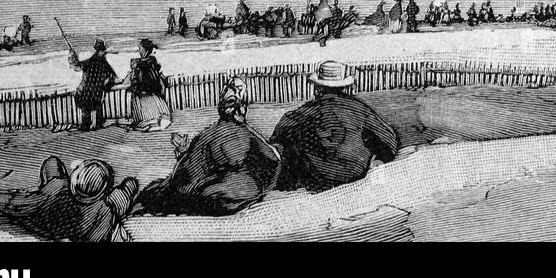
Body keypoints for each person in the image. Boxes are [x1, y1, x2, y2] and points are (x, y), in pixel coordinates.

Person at [139, 82, 281, 216]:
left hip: (201, 189)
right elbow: (272, 159)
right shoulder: (230, 132)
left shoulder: (224, 132)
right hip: (207, 190)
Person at [271, 61, 400, 193]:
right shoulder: (359, 109)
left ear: (317, 87)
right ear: (343, 87)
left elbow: (277, 140)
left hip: (317, 179)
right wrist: (379, 160)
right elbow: (389, 140)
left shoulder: (304, 112)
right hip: (355, 174)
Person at [0, 157, 139, 243]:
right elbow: (99, 233)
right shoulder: (105, 210)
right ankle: (128, 187)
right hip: (90, 216)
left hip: (44, 224)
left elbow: (16, 203)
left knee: (52, 162)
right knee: (129, 186)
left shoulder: (57, 187)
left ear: (74, 180)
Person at [69, 39, 117, 130]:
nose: (104, 53)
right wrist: (105, 87)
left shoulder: (93, 62)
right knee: (91, 110)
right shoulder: (99, 63)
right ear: (100, 51)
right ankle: (93, 125)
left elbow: (76, 66)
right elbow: (112, 77)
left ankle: (88, 125)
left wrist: (73, 57)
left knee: (88, 110)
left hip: (89, 91)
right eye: (103, 51)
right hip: (93, 91)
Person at [125, 38, 172, 132]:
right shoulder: (148, 63)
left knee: (149, 117)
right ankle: (151, 124)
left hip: (147, 95)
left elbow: (148, 80)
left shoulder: (146, 64)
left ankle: (149, 124)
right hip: (148, 94)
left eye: (140, 48)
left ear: (145, 50)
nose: (139, 50)